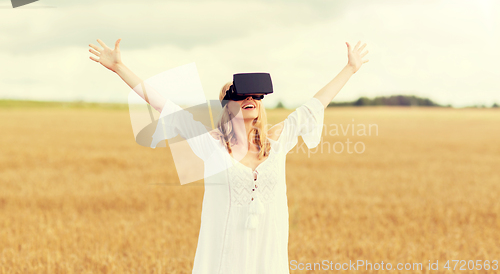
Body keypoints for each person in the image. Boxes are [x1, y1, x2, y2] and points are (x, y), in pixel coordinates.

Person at [88, 38, 369, 274]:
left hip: (267, 255)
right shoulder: (211, 145)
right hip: (226, 257)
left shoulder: (278, 140)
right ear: (228, 105)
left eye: (256, 97)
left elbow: (314, 105)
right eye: (241, 96)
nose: (250, 100)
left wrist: (351, 68)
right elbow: (165, 106)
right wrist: (119, 68)